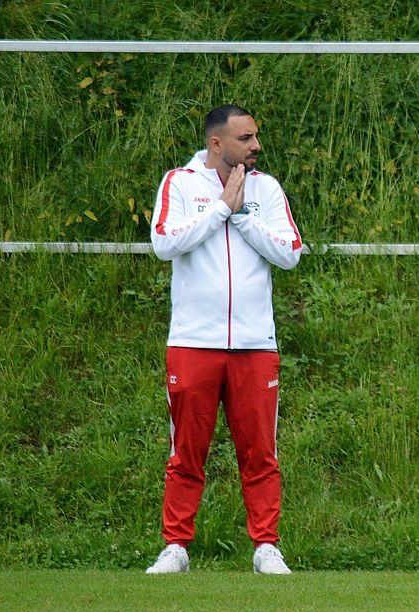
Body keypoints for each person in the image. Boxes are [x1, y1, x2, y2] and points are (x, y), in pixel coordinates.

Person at [145, 104, 303, 575]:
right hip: (193, 342)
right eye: (247, 138)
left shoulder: (266, 189)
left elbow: (291, 252)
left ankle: (266, 547)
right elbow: (164, 244)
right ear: (217, 144)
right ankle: (176, 547)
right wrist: (218, 210)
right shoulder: (180, 182)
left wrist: (241, 217)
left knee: (260, 452)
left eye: (256, 137)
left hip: (256, 344)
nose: (256, 146)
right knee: (186, 451)